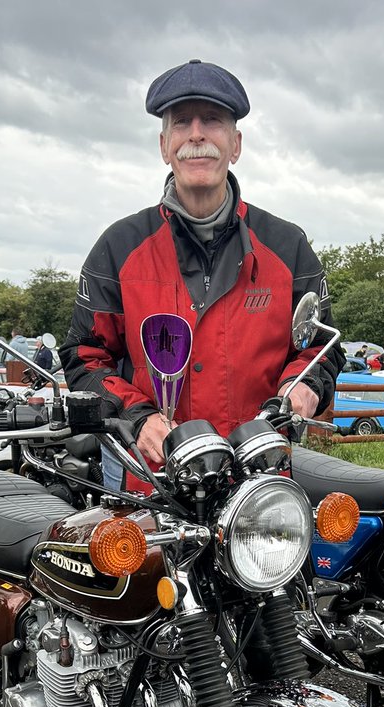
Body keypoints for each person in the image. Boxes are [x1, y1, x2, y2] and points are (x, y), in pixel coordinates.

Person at [60, 58, 342, 476]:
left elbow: (320, 347)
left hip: (260, 487)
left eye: (212, 120)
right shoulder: (119, 248)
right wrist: (138, 418)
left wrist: (300, 389)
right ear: (163, 146)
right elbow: (84, 357)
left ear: (236, 144)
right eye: (181, 122)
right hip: (153, 486)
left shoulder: (288, 247)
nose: (196, 135)